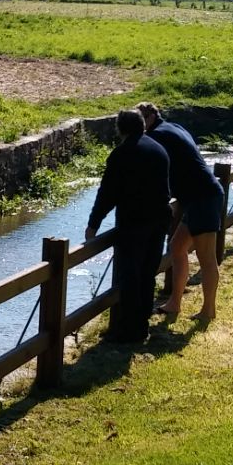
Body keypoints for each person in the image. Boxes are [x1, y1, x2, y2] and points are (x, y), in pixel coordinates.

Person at [85, 108, 172, 344]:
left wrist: (93, 225)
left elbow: (107, 195)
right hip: (160, 220)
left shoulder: (123, 153)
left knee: (130, 277)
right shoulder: (158, 149)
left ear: (120, 129)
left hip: (135, 223)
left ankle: (127, 331)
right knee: (147, 274)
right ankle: (142, 327)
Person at [139, 102, 224, 325]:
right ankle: (174, 302)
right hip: (197, 197)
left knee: (206, 258)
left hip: (202, 197)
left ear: (148, 118)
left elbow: (156, 171)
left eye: (141, 121)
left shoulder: (156, 136)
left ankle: (208, 310)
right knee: (177, 247)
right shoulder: (173, 127)